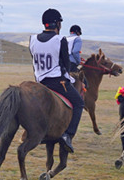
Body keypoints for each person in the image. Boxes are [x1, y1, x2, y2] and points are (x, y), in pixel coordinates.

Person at [28, 9, 85, 153]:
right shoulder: (60, 40)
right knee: (79, 103)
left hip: (40, 83)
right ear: (57, 24)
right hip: (58, 83)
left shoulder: (32, 39)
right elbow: (66, 65)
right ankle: (68, 135)